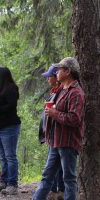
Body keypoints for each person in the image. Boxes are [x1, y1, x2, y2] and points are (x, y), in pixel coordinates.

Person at [33, 57, 85, 200]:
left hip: (68, 143)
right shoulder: (62, 89)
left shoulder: (76, 92)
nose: (56, 72)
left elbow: (75, 119)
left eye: (59, 69)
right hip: (55, 141)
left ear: (68, 71)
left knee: (69, 180)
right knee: (47, 177)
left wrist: (55, 113)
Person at [0, 66, 21, 195]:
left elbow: (11, 106)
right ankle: (4, 181)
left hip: (9, 127)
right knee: (3, 157)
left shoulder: (11, 88)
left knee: (10, 156)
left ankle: (13, 184)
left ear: (1, 76)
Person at [40, 64, 65, 199]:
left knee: (58, 165)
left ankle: (59, 190)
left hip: (59, 135)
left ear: (57, 77)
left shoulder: (62, 92)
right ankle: (55, 189)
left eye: (50, 76)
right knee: (55, 164)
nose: (47, 79)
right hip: (51, 134)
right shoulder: (54, 91)